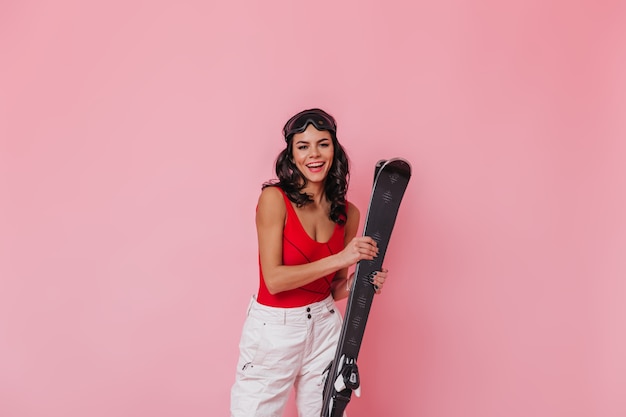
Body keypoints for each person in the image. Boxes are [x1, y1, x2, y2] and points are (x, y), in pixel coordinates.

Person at [230, 108, 389, 417]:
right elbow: (274, 280)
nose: (314, 154)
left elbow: (333, 286)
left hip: (325, 326)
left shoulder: (348, 213)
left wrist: (360, 282)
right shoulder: (274, 200)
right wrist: (341, 257)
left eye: (323, 144)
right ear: (291, 154)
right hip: (275, 329)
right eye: (303, 146)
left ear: (335, 150)